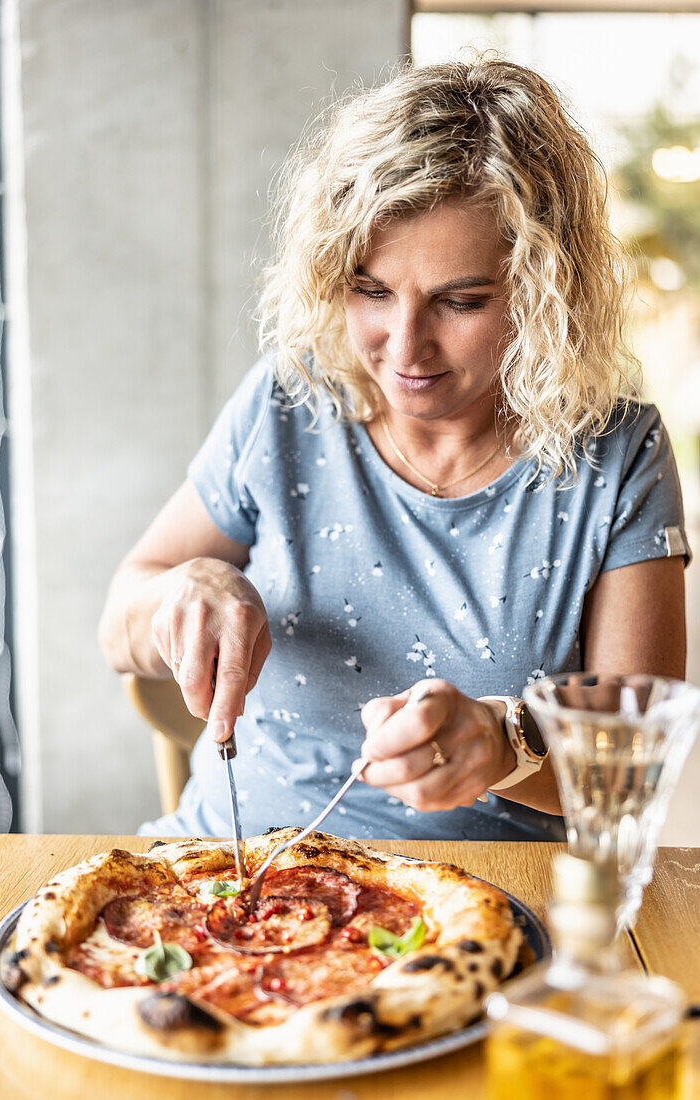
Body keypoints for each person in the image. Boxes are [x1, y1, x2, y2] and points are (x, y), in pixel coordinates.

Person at [99, 57, 689, 843]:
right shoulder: (290, 400)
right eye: (371, 291)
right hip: (221, 877)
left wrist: (503, 747)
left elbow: (632, 771)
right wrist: (185, 589)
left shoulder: (617, 456)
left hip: (483, 907)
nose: (405, 347)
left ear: (545, 291)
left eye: (461, 300)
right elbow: (121, 619)